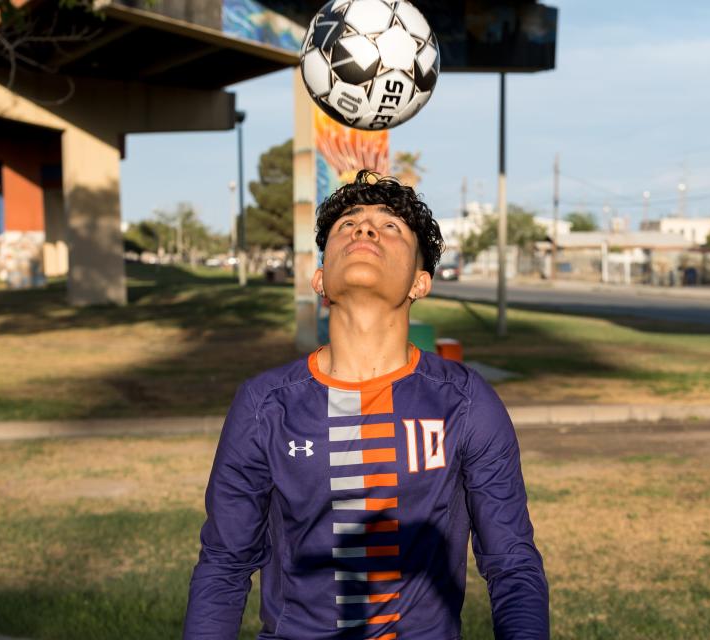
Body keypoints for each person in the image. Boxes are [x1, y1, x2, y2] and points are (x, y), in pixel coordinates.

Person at [183, 171, 548, 639]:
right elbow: (225, 563)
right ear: (320, 278)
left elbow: (512, 565)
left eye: (390, 226)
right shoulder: (265, 405)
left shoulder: (466, 402)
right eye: (347, 225)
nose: (365, 229)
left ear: (420, 282)